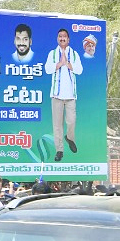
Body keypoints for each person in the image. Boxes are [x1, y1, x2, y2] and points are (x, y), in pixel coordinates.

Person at [44, 28, 83, 162]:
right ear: (57, 39)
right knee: (57, 125)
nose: (62, 39)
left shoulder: (74, 53)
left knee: (71, 121)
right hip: (56, 95)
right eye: (60, 36)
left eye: (64, 37)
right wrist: (59, 64)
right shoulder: (52, 54)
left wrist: (68, 64)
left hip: (71, 95)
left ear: (68, 39)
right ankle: (59, 150)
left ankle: (70, 138)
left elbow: (80, 70)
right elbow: (47, 69)